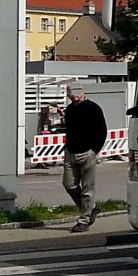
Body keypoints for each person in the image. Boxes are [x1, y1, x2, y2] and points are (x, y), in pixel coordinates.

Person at [61, 84, 108, 233]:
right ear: (68, 94)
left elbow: (102, 131)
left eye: (77, 92)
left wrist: (94, 151)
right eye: (71, 92)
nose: (74, 96)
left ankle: (84, 221)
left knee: (88, 188)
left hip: (87, 153)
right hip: (71, 152)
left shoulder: (93, 108)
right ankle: (91, 208)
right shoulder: (69, 110)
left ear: (82, 92)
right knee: (69, 185)